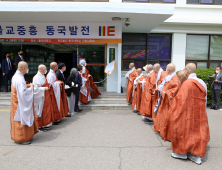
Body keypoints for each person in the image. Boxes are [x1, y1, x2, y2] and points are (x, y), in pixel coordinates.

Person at [164, 63, 210, 165]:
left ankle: (182, 153)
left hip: (187, 113)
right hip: (200, 114)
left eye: (184, 70)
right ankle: (197, 156)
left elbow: (180, 101)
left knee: (184, 132)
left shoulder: (187, 83)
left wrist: (173, 111)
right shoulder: (202, 82)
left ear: (187, 71)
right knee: (198, 132)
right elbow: (205, 100)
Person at [11, 61, 39, 145]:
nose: (27, 70)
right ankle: (22, 138)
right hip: (20, 103)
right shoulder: (20, 79)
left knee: (17, 121)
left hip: (16, 103)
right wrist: (31, 88)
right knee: (21, 120)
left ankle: (18, 137)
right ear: (24, 68)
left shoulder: (16, 76)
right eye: (27, 68)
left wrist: (27, 86)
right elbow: (23, 94)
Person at [153, 63, 181, 140]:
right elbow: (163, 84)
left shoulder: (175, 78)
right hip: (164, 100)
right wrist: (160, 88)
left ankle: (168, 134)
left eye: (167, 68)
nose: (166, 69)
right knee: (162, 116)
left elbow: (175, 90)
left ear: (169, 69)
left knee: (167, 118)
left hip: (169, 101)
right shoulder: (168, 76)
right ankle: (162, 131)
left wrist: (163, 91)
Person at [33, 64, 53, 132]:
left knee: (46, 110)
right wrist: (45, 88)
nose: (46, 70)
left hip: (45, 96)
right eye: (45, 69)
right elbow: (35, 89)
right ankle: (39, 126)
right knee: (40, 111)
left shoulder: (42, 76)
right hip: (40, 96)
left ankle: (46, 124)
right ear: (43, 70)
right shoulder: (36, 77)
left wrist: (48, 84)